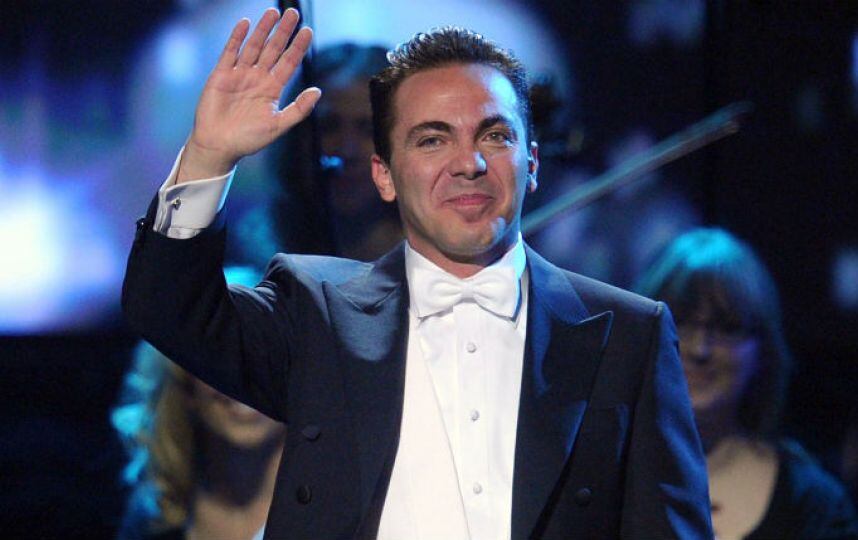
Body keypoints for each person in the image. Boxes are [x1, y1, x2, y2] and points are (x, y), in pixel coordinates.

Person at [123, 7, 712, 539]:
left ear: (531, 162)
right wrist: (209, 156)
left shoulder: (629, 335)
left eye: (495, 135)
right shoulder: (318, 315)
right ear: (384, 174)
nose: (469, 163)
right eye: (432, 139)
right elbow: (167, 307)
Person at [636, 228, 858, 539]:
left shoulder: (815, 502)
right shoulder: (596, 468)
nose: (700, 349)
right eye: (680, 323)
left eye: (726, 328)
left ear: (764, 351)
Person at [113, 267, 286, 540]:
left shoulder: (341, 515)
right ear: (185, 387)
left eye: (260, 354)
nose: (240, 380)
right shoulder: (150, 525)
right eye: (218, 355)